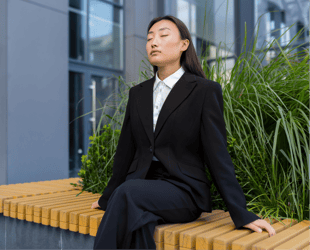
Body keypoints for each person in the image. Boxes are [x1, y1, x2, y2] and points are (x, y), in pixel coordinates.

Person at [90, 15, 276, 249]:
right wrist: (107, 198)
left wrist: (241, 213)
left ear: (183, 45)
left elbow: (217, 154)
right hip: (142, 188)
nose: (154, 42)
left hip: (183, 190)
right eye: (149, 38)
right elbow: (125, 150)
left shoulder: (204, 91)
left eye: (163, 35)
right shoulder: (138, 93)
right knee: (139, 222)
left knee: (128, 194)